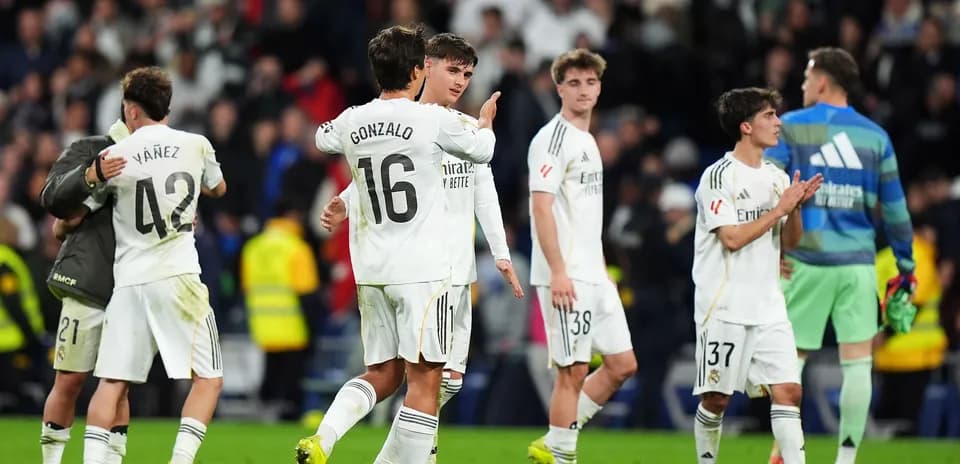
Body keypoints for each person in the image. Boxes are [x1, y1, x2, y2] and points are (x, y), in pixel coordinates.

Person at [295, 24, 501, 464]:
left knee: (383, 373)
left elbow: (321, 137)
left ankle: (324, 438)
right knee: (426, 381)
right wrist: (485, 124)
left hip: (371, 271)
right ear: (417, 71)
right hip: (422, 272)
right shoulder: (433, 120)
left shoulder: (353, 119)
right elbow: (482, 151)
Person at [765, 47, 915, 464]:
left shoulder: (791, 127)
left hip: (804, 262)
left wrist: (769, 248)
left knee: (789, 362)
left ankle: (784, 453)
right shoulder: (875, 136)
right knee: (858, 364)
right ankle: (846, 460)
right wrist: (906, 267)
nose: (802, 84)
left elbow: (769, 189)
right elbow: (896, 210)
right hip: (857, 265)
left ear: (822, 82)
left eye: (806, 77)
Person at [80, 66, 227, 464]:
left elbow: (79, 210)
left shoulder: (113, 156)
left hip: (129, 281)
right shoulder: (196, 144)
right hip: (179, 278)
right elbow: (218, 187)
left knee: (112, 383)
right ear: (167, 106)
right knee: (208, 379)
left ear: (131, 110)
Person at [692, 87, 821, 464]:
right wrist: (778, 209)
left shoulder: (777, 178)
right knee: (717, 399)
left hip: (768, 306)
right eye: (769, 115)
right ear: (746, 126)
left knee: (789, 392)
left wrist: (795, 209)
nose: (778, 122)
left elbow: (790, 243)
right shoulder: (718, 177)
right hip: (724, 306)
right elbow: (731, 239)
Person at [526, 48, 637, 464]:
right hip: (566, 274)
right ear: (559, 89)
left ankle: (555, 440)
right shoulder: (551, 139)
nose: (583, 90)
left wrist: (601, 270)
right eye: (574, 82)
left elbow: (584, 216)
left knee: (622, 364)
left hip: (594, 274)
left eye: (590, 82)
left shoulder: (588, 140)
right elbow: (541, 208)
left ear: (600, 87)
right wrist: (558, 271)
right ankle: (562, 454)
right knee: (571, 371)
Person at [38, 113, 130, 464]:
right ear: (132, 110)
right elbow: (54, 200)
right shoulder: (90, 149)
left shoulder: (161, 157)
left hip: (133, 284)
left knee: (118, 385)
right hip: (89, 283)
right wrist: (92, 174)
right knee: (70, 379)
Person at [240, 198, 319, 421]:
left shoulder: (252, 247)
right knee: (291, 381)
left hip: (262, 325)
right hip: (293, 325)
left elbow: (246, 287)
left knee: (271, 372)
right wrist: (313, 328)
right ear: (292, 216)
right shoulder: (297, 248)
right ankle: (288, 413)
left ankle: (266, 410)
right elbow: (307, 293)